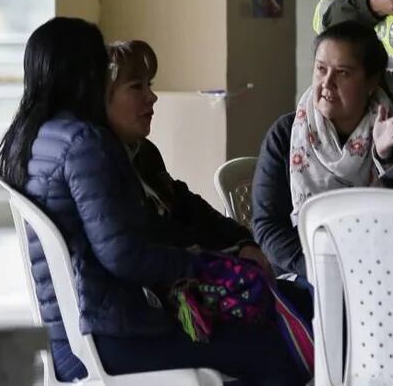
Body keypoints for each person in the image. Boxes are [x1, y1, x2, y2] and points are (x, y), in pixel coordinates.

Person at [0, 18, 309, 386]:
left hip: (72, 336)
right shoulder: (86, 144)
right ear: (82, 72)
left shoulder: (35, 140)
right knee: (272, 348)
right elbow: (124, 255)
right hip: (109, 336)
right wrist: (200, 266)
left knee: (258, 338)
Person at [252, 21, 393, 280]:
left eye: (343, 73)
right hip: (303, 275)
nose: (327, 83)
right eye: (321, 69)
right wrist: (320, 272)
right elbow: (267, 226)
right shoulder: (285, 134)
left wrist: (386, 157)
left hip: (379, 273)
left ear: (371, 81)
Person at [105, 39, 272, 270]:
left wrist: (241, 241)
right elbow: (161, 239)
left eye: (149, 85)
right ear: (102, 98)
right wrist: (223, 258)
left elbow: (188, 206)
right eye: (136, 86)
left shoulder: (144, 151)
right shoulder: (101, 168)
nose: (152, 97)